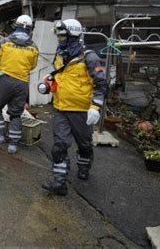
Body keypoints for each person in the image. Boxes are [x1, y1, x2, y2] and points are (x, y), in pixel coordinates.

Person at [40, 19, 108, 196]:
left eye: (63, 35)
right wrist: (50, 81)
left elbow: (101, 85)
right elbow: (61, 76)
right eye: (58, 35)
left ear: (73, 35)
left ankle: (84, 167)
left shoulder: (89, 57)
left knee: (84, 145)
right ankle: (59, 182)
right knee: (59, 145)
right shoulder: (60, 54)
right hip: (61, 109)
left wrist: (95, 107)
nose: (59, 39)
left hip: (82, 111)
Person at [0, 15, 39, 154]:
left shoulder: (4, 42)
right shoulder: (34, 47)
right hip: (22, 83)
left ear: (16, 25)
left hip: (4, 80)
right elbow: (33, 66)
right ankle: (13, 145)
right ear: (30, 29)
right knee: (15, 114)